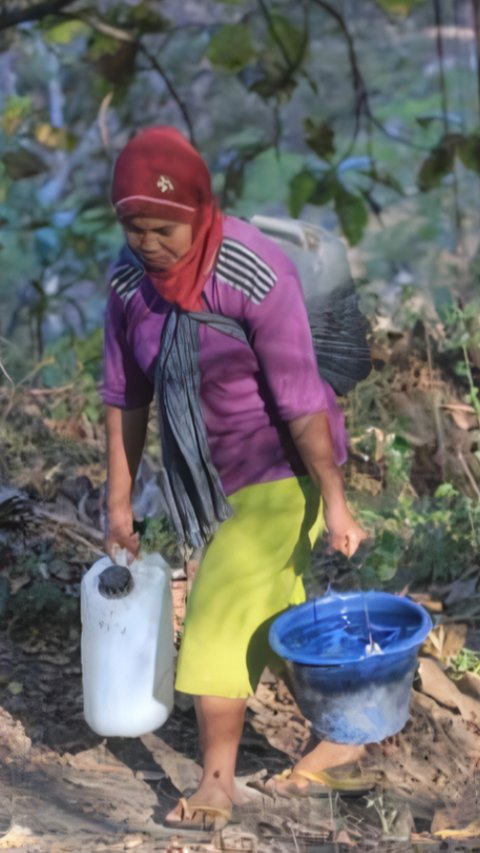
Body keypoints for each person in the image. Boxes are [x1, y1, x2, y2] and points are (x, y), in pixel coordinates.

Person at [102, 126, 369, 831]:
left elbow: (302, 396)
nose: (148, 243)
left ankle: (216, 782)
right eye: (134, 227)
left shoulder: (252, 271)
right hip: (205, 480)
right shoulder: (129, 286)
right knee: (269, 616)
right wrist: (119, 501)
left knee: (220, 609)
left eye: (164, 228)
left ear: (198, 210)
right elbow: (125, 396)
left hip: (283, 471)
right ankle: (347, 726)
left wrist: (336, 503)